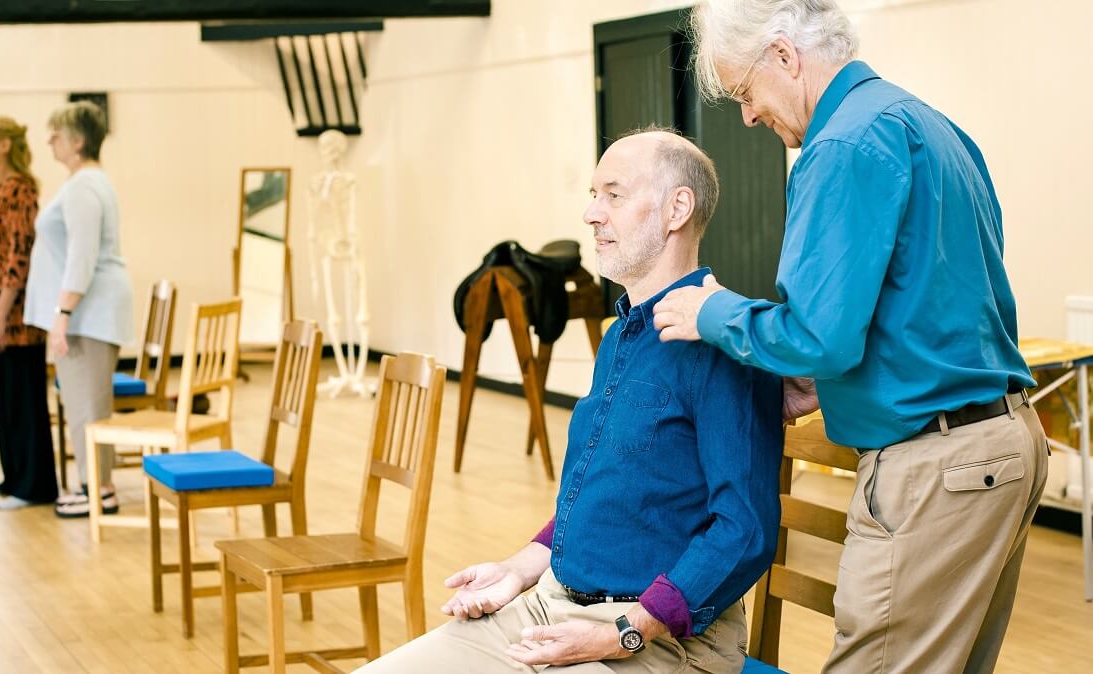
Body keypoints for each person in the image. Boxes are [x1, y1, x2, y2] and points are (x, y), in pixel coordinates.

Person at [651, 2, 1048, 672]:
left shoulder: (841, 145)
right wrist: (823, 384)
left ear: (783, 55)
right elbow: (931, 300)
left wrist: (710, 311)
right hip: (1006, 447)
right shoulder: (929, 125)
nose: (749, 116)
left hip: (935, 466)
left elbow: (817, 337)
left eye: (746, 92)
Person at [356, 129, 782, 674]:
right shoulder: (620, 335)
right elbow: (605, 492)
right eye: (592, 193)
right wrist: (519, 568)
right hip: (551, 604)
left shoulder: (724, 339)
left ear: (678, 208)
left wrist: (625, 633)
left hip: (663, 640)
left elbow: (743, 531)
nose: (590, 213)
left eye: (613, 194)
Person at [24, 101, 133, 519]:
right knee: (81, 401)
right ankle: (94, 485)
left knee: (88, 405)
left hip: (89, 313)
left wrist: (63, 312)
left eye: (57, 132)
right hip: (87, 311)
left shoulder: (85, 186)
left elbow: (82, 256)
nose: (49, 139)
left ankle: (99, 490)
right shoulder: (82, 183)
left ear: (79, 140)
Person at [0, 116, 58, 510]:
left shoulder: (21, 191)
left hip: (19, 315)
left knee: (24, 398)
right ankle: (14, 477)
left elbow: (18, 257)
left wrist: (1, 313)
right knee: (7, 397)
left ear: (4, 146)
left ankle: (34, 485)